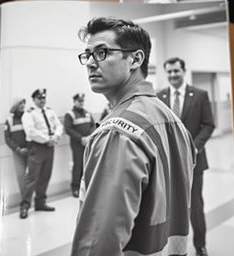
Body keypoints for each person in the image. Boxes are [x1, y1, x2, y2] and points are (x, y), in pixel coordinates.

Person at [71, 17, 196, 256]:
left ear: (135, 59)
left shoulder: (117, 133)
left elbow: (99, 242)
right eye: (87, 55)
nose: (90, 63)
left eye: (102, 52)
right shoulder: (171, 119)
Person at [157, 57, 215, 256]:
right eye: (170, 72)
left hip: (194, 162)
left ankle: (200, 246)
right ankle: (174, 247)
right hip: (170, 163)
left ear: (183, 71)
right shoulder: (159, 97)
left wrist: (194, 147)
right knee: (171, 207)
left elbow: (209, 124)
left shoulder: (199, 95)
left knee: (195, 206)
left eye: (176, 71)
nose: (173, 75)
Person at [20, 88, 63, 219]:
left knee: (45, 176)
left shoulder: (50, 111)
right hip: (37, 147)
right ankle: (25, 206)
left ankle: (40, 203)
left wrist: (56, 137)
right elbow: (30, 132)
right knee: (32, 178)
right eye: (39, 98)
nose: (42, 100)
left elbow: (59, 125)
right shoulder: (29, 114)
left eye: (44, 98)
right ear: (33, 100)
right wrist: (47, 139)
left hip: (50, 148)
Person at [64, 93, 95, 198]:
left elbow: (93, 125)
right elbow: (68, 129)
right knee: (77, 166)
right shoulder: (70, 114)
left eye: (83, 101)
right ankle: (76, 188)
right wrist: (81, 138)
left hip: (88, 142)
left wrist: (90, 137)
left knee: (87, 165)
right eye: (79, 101)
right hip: (77, 144)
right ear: (74, 101)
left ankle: (86, 186)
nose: (81, 103)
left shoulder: (87, 113)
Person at [4, 97, 27, 199]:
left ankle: (35, 198)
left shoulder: (28, 117)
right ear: (15, 106)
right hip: (18, 153)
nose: (22, 105)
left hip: (31, 151)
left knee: (33, 176)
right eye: (20, 103)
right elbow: (8, 139)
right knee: (21, 176)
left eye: (23, 103)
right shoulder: (9, 120)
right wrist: (18, 149)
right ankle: (25, 199)